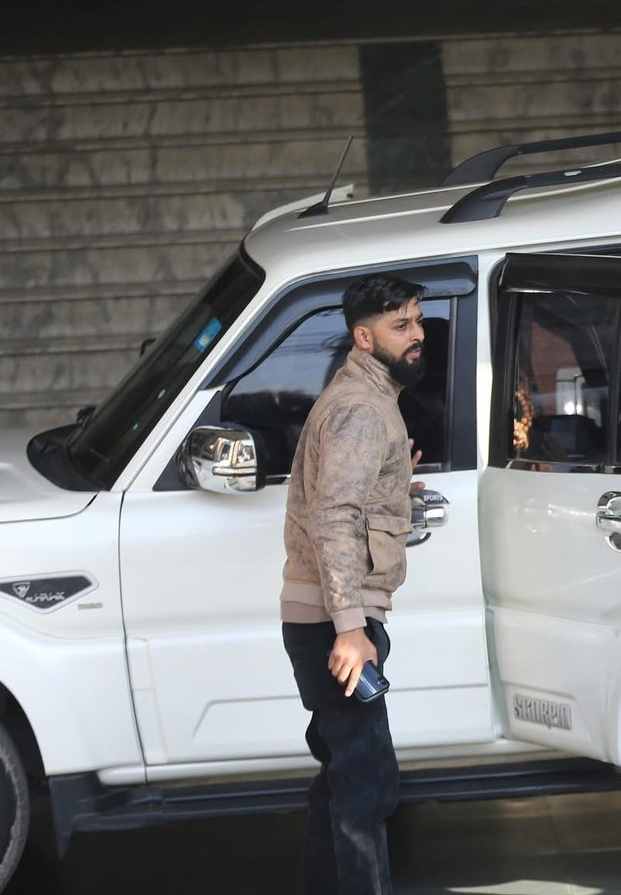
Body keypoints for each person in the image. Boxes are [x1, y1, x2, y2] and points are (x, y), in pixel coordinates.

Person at [280, 273, 427, 895]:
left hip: (332, 619)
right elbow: (334, 517)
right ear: (364, 338)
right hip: (335, 623)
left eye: (418, 320)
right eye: (401, 325)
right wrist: (349, 630)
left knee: (348, 778)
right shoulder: (359, 410)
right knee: (366, 788)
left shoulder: (371, 398)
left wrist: (395, 486)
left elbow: (348, 497)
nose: (417, 335)